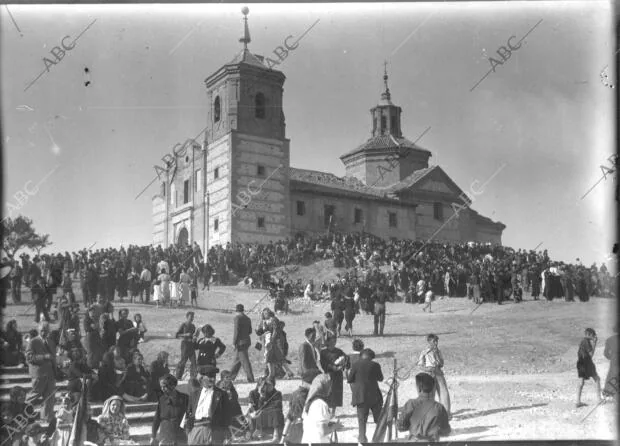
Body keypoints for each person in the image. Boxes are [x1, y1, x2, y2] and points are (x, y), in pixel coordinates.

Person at [182, 364, 232, 445]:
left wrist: (226, 434)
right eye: (209, 377)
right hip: (196, 430)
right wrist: (188, 432)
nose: (212, 379)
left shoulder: (221, 394)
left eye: (214, 377)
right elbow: (188, 414)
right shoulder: (194, 394)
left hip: (214, 431)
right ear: (202, 378)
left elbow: (226, 415)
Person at [397, 372, 451, 442]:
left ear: (419, 388)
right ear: (432, 388)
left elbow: (401, 427)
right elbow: (446, 431)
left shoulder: (411, 404)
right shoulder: (439, 407)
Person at [346, 347, 383, 443]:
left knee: (362, 421)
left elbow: (349, 380)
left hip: (360, 397)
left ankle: (362, 440)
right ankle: (378, 439)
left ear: (362, 355)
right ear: (371, 357)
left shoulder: (355, 364)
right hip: (375, 396)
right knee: (378, 420)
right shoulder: (375, 365)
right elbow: (380, 378)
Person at [25, 321, 57, 423]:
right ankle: (21, 411)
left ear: (49, 331)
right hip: (39, 374)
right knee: (34, 395)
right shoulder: (33, 342)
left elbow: (53, 358)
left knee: (50, 398)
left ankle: (46, 419)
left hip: (50, 374)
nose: (44, 332)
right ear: (39, 330)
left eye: (46, 330)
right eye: (42, 330)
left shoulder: (51, 342)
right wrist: (43, 357)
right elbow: (29, 358)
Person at [281, 369, 321, 443]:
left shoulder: (295, 394)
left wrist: (283, 437)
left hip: (296, 431)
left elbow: (290, 417)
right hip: (303, 432)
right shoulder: (303, 396)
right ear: (309, 383)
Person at [417, 333, 451, 417]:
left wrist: (437, 357)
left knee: (444, 392)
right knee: (430, 394)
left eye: (436, 341)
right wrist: (427, 369)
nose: (436, 343)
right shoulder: (424, 352)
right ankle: (429, 413)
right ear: (429, 342)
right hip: (429, 374)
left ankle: (446, 413)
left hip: (438, 373)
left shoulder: (438, 351)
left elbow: (442, 363)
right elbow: (420, 365)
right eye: (434, 341)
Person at [152, 374, 188, 446]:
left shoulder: (184, 398)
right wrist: (153, 436)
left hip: (180, 434)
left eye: (165, 386)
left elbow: (190, 415)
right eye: (161, 387)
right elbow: (157, 419)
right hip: (165, 434)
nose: (162, 389)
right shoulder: (162, 399)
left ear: (173, 385)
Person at [301, 373, 338, 444]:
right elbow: (323, 431)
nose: (331, 389)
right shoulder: (320, 404)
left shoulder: (309, 401)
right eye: (330, 386)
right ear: (324, 386)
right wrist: (335, 426)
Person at [247, 377, 285, 442]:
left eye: (269, 385)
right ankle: (257, 431)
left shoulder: (276, 393)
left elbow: (275, 406)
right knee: (255, 413)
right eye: (266, 385)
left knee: (275, 412)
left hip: (268, 412)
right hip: (257, 413)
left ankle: (274, 434)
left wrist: (262, 398)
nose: (267, 387)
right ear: (258, 385)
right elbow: (252, 405)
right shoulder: (253, 393)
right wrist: (261, 398)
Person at [319, 336, 347, 417]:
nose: (334, 342)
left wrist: (342, 365)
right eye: (332, 341)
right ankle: (327, 410)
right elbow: (323, 363)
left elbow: (346, 359)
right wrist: (331, 367)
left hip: (337, 375)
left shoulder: (339, 351)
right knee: (327, 392)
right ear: (328, 342)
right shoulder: (323, 352)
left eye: (335, 341)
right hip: (328, 374)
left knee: (336, 393)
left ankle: (333, 412)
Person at [576, 327, 603, 407]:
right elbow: (591, 355)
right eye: (593, 335)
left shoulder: (582, 341)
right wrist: (595, 343)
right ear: (589, 334)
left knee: (581, 382)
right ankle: (599, 400)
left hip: (580, 363)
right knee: (597, 379)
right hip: (587, 363)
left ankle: (578, 401)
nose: (594, 336)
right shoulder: (586, 342)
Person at [229, 304, 254, 383]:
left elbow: (236, 331)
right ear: (243, 310)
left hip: (240, 343)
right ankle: (230, 378)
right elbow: (250, 331)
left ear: (236, 310)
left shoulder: (237, 318)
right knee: (237, 361)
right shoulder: (248, 318)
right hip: (247, 341)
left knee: (245, 362)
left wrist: (234, 343)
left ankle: (251, 379)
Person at [175, 312, 197, 380]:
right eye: (191, 317)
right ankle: (178, 377)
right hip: (185, 344)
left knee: (193, 362)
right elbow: (176, 335)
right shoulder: (183, 325)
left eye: (193, 317)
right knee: (183, 361)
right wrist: (185, 335)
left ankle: (193, 378)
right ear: (187, 317)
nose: (192, 318)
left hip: (191, 345)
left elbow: (193, 335)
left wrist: (195, 337)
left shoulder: (193, 326)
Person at [603, 325, 619, 400]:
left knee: (612, 375)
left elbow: (605, 353)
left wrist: (611, 358)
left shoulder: (609, 339)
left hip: (614, 360)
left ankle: (609, 392)